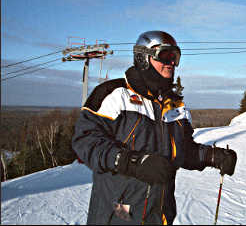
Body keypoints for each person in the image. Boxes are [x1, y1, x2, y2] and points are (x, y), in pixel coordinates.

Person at [72, 30, 237, 225]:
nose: (172, 63)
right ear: (143, 57)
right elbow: (85, 141)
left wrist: (212, 156)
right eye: (166, 55)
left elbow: (183, 151)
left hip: (159, 213)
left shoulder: (175, 105)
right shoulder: (114, 94)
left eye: (175, 57)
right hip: (120, 211)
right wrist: (131, 162)